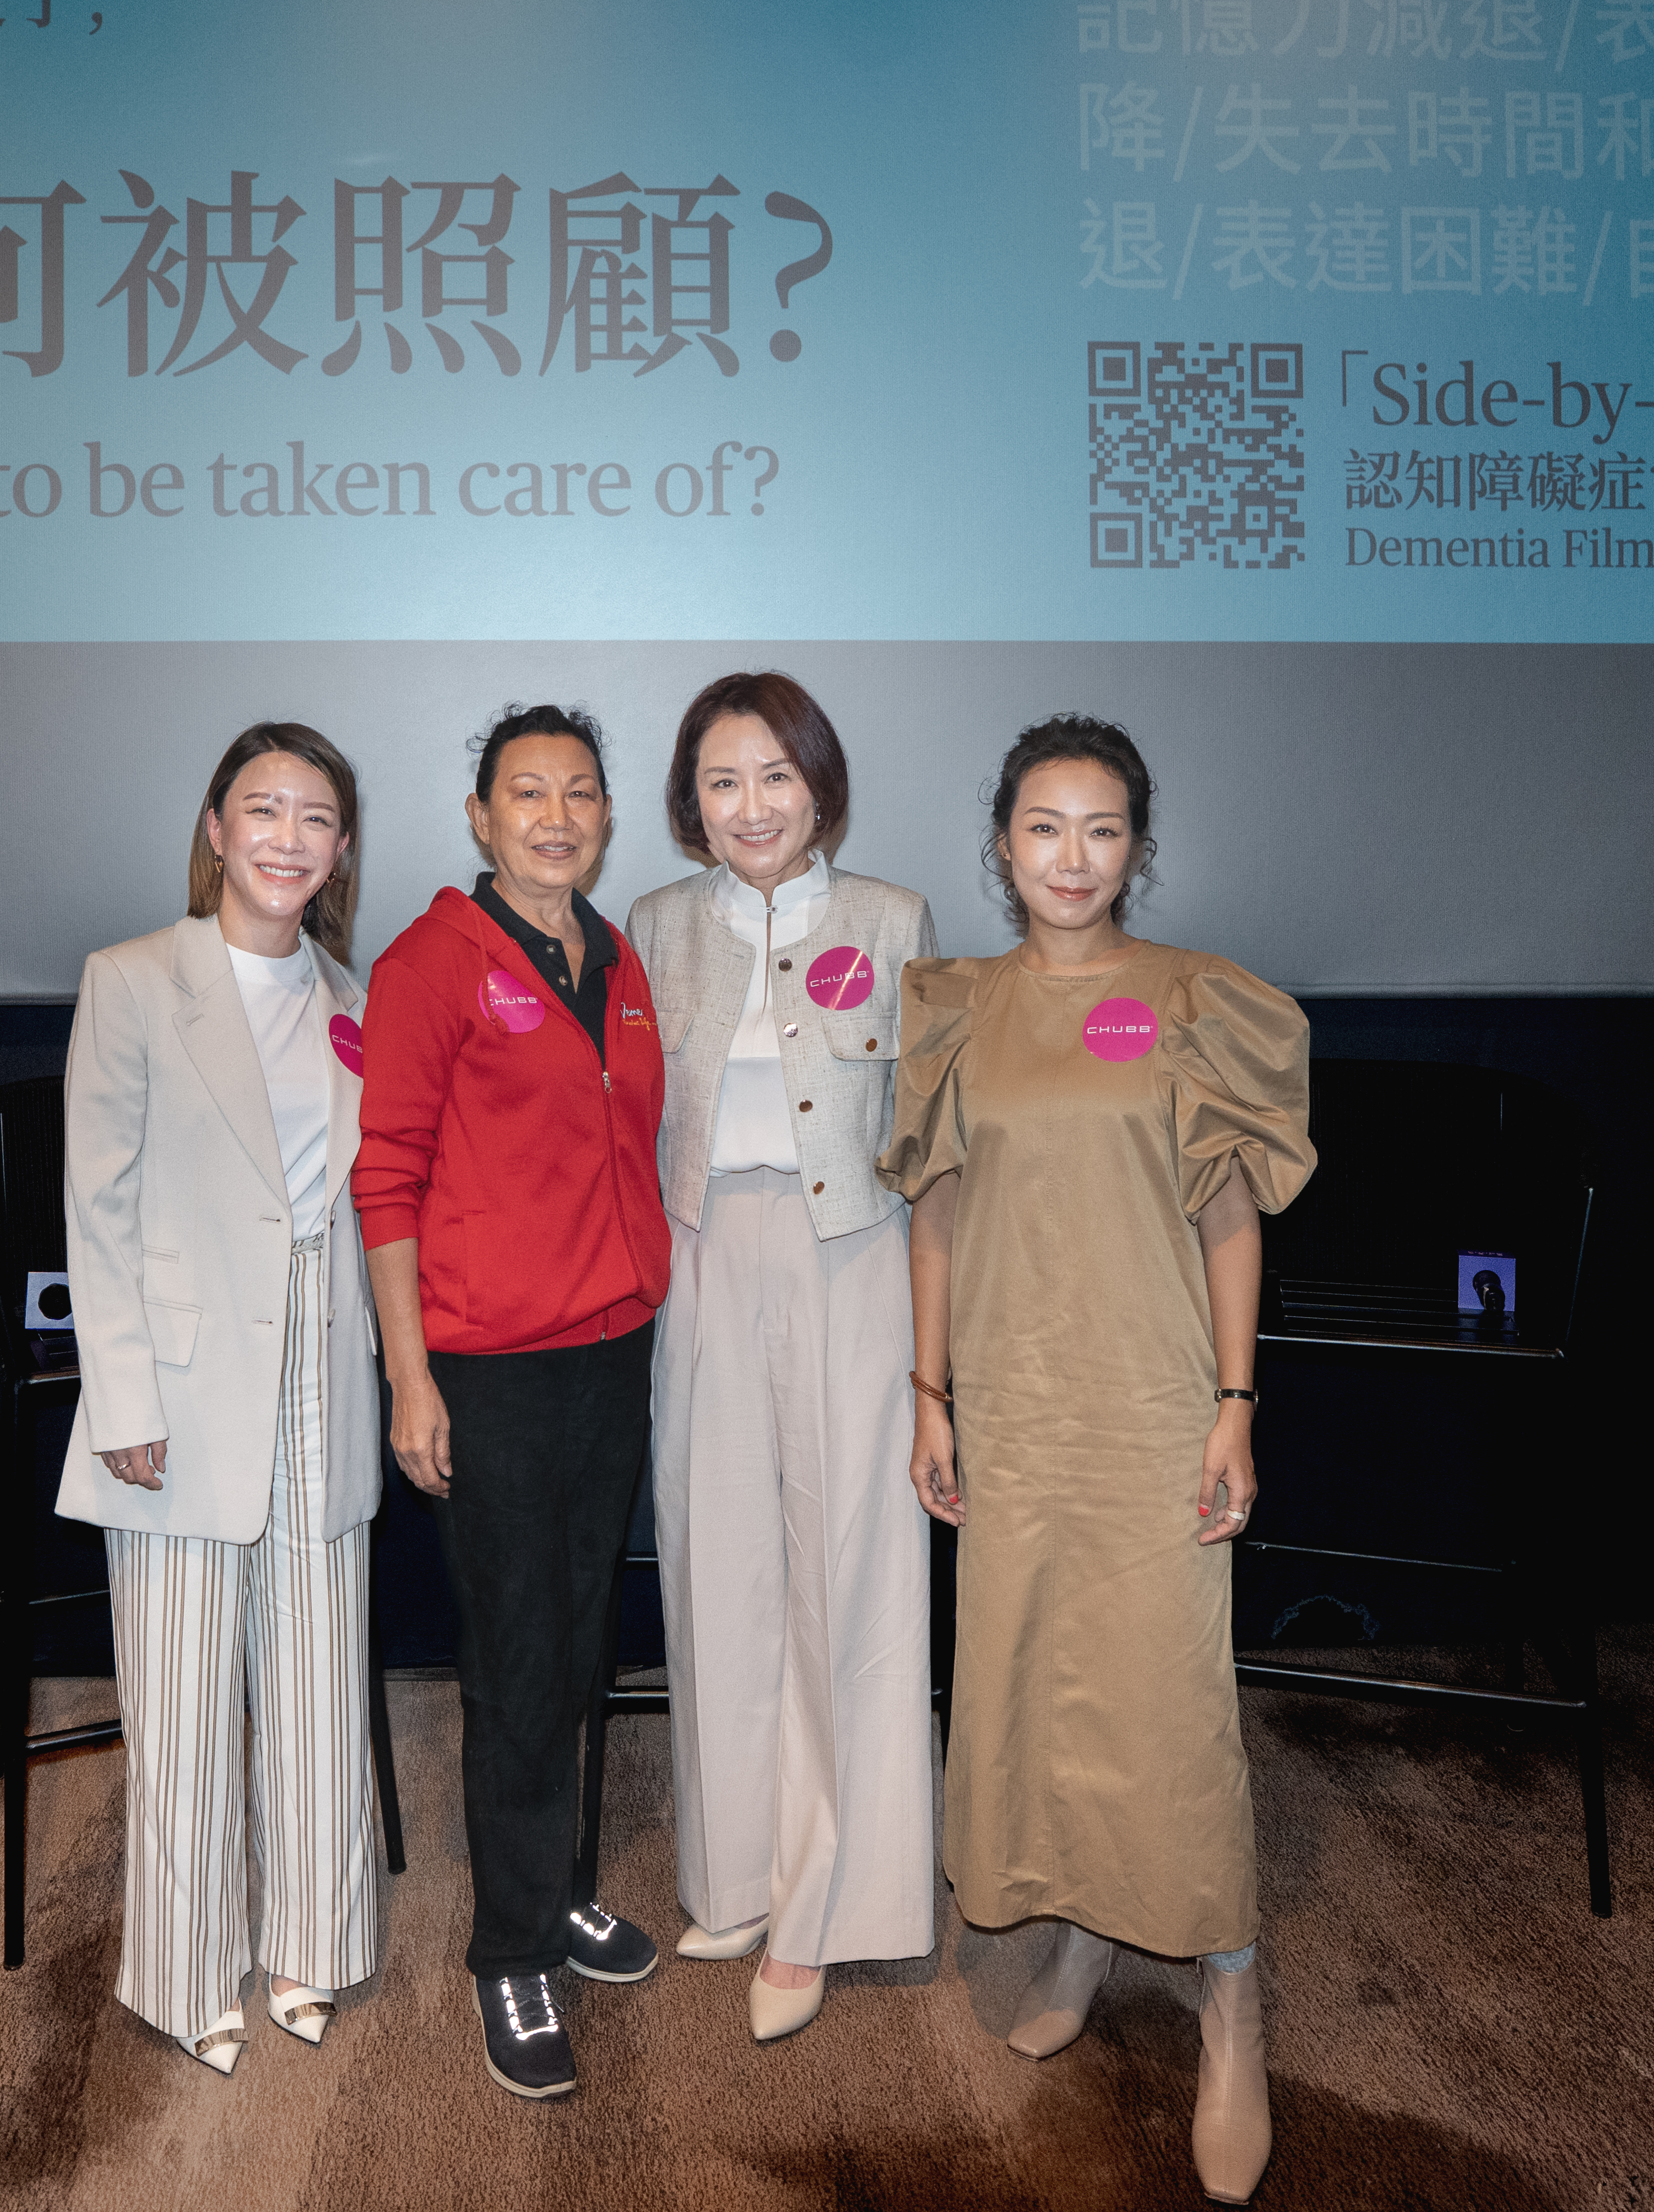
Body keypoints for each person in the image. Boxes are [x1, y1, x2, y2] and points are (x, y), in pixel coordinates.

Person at [881, 714, 1315, 2207]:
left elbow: (1231, 1218)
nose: (1073, 856)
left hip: (1150, 1405)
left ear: (1140, 846)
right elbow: (932, 1214)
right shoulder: (953, 1007)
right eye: (1045, 827)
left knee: (1170, 1698)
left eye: (1103, 829)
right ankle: (1082, 1922)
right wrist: (930, 1394)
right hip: (1011, 1401)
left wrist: (1235, 1402)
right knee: (1034, 1671)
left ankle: (1232, 1987)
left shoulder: (1197, 1003)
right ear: (1000, 846)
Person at [54, 722, 389, 2077]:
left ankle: (314, 1940)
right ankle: (188, 1969)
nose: (288, 836)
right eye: (264, 809)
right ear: (213, 825)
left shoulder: (355, 996)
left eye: (317, 817)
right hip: (181, 1380)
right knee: (185, 1691)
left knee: (316, 1673)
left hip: (326, 1347)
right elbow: (99, 1201)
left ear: (343, 847)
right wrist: (120, 1390)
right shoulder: (134, 977)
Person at [350, 704, 675, 2101]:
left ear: (608, 818)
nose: (557, 815)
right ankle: (510, 1951)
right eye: (526, 793)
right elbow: (387, 1178)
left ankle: (559, 1891)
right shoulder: (431, 962)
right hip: (489, 1364)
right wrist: (410, 1372)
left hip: (611, 1349)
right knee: (518, 1652)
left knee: (583, 1636)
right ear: (479, 818)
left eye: (582, 794)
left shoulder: (615, 957)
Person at [621, 671, 938, 2044]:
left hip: (852, 1257)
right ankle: (739, 1873)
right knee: (717, 1559)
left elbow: (926, 1131)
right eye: (722, 782)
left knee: (851, 1567)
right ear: (692, 801)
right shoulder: (649, 926)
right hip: (700, 1256)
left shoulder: (891, 919)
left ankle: (833, 1903)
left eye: (776, 778)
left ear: (821, 787)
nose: (751, 806)